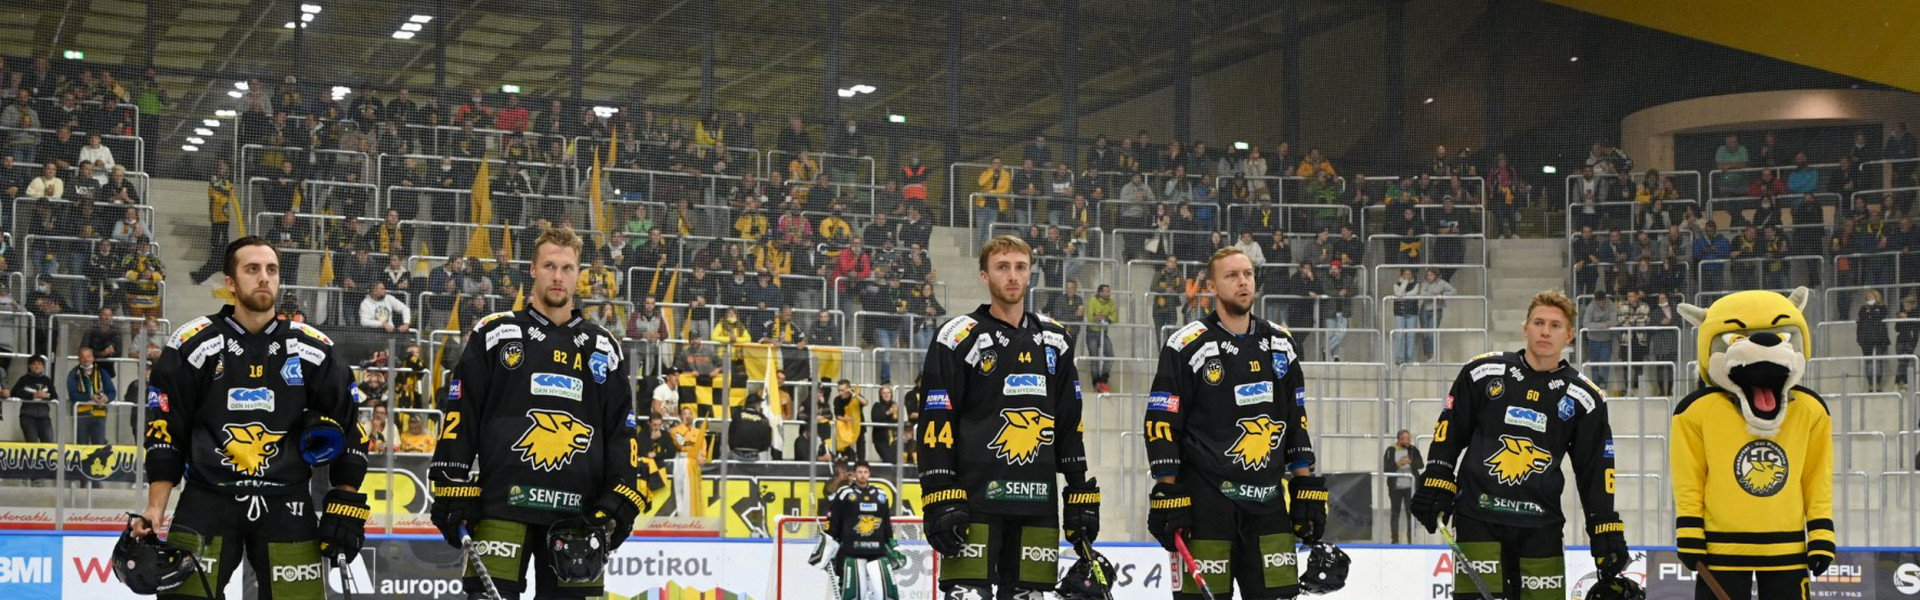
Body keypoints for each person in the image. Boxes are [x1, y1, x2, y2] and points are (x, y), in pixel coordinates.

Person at [131, 236, 371, 596]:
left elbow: (350, 425)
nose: (264, 278)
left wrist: (345, 497)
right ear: (230, 282)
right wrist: (155, 508)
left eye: (271, 270)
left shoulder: (313, 349)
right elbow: (166, 429)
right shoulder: (191, 344)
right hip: (207, 501)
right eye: (252, 269)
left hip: (287, 502)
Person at [429, 227, 644, 599]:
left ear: (579, 274)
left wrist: (621, 492)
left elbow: (621, 429)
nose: (558, 276)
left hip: (579, 516)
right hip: (500, 505)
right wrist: (452, 481)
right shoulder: (496, 333)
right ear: (532, 269)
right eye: (549, 266)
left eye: (566, 267)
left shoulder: (603, 346)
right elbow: (461, 413)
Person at [1409, 290, 1627, 600]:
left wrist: (1603, 525)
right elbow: (1449, 430)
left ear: (1569, 336)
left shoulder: (1585, 397)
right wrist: (1437, 476)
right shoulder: (1482, 372)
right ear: (1525, 327)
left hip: (1542, 525)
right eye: (1539, 322)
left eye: (1555, 325)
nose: (1545, 331)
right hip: (1477, 517)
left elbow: (1595, 469)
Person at [916, 235, 1097, 599]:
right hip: (973, 501)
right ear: (984, 276)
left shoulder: (1057, 339)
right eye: (1002, 267)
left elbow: (1068, 421)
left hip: (1038, 503)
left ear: (1030, 274)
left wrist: (1078, 489)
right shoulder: (957, 336)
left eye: (1020, 267)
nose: (1012, 276)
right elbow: (936, 418)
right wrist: (937, 491)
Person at [1144, 246, 1327, 599]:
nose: (1243, 282)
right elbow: (1161, 421)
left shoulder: (1281, 343)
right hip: (1206, 505)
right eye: (1231, 275)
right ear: (1211, 286)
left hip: (1269, 504)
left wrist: (1305, 487)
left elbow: (1296, 421)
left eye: (1247, 274)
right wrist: (1167, 490)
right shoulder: (1185, 345)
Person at [821, 461, 908, 600]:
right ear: (855, 474)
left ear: (869, 473)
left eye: (865, 472)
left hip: (877, 552)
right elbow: (834, 521)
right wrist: (829, 547)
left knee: (887, 593)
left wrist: (893, 544)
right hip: (851, 553)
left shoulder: (880, 495)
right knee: (853, 594)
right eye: (860, 472)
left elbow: (886, 524)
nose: (862, 475)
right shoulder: (845, 493)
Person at [1382, 429, 1423, 544]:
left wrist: (1410, 461)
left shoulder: (1413, 450)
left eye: (1410, 438)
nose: (1409, 441)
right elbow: (1386, 469)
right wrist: (1397, 464)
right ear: (1400, 439)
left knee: (1410, 513)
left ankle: (1411, 540)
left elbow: (1420, 464)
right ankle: (1394, 540)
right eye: (1407, 439)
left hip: (1410, 487)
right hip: (1395, 488)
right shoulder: (1391, 451)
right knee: (1395, 513)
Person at [68, 347, 114, 446]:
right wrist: (90, 397)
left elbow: (112, 392)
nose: (86, 359)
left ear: (93, 358)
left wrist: (107, 398)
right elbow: (73, 395)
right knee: (81, 446)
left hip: (99, 414)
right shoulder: (73, 374)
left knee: (99, 446)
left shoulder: (102, 372)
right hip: (81, 415)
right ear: (79, 359)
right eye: (83, 357)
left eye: (88, 356)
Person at [12, 355, 56, 444]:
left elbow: (55, 396)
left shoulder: (47, 380)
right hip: (28, 417)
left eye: (39, 364)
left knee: (49, 443)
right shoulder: (24, 379)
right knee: (32, 444)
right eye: (34, 364)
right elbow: (14, 393)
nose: (37, 366)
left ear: (43, 366)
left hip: (44, 418)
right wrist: (32, 396)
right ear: (29, 366)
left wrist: (46, 395)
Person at [1858, 289, 1891, 392]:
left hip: (1879, 339)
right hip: (1866, 340)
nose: (1869, 298)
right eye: (1868, 297)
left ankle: (1878, 383)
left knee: (1878, 362)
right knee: (1869, 363)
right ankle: (1871, 384)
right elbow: (1862, 318)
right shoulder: (1863, 308)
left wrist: (1872, 310)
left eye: (1872, 296)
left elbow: (1880, 315)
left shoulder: (1882, 308)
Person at [728, 391, 773, 462]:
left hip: (736, 454)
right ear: (757, 404)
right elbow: (767, 442)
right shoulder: (763, 418)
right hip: (754, 456)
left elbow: (730, 436)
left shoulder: (737, 415)